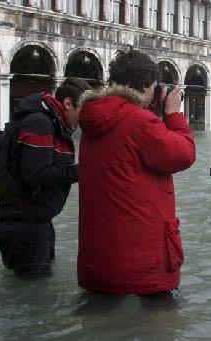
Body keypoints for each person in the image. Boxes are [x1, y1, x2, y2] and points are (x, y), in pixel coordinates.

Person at [77, 49, 195, 303]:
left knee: (100, 321)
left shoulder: (95, 118)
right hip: (143, 256)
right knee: (159, 324)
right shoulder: (139, 122)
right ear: (144, 85)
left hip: (100, 256)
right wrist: (174, 113)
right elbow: (184, 154)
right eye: (154, 86)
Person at [0, 77, 92, 277]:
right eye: (84, 109)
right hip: (24, 228)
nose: (87, 117)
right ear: (67, 103)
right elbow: (36, 175)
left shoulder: (50, 123)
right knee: (32, 298)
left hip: (36, 223)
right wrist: (82, 170)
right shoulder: (40, 123)